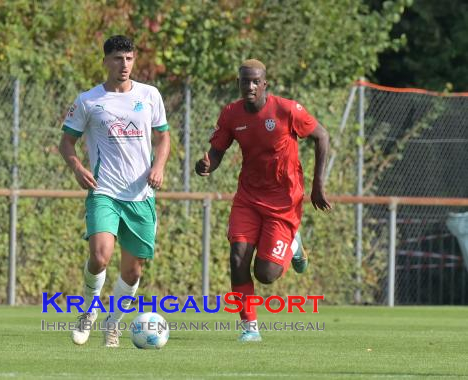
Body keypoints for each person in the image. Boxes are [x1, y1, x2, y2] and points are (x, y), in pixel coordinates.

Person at [195, 59, 331, 342]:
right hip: (248, 198)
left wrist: (318, 185)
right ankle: (250, 328)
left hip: (284, 202)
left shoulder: (286, 110)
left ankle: (294, 243)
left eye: (256, 81)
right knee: (237, 258)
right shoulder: (231, 114)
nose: (251, 86)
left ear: (265, 84)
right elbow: (217, 151)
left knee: (266, 274)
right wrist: (208, 164)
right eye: (246, 81)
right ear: (239, 84)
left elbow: (322, 137)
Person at [59, 35, 170, 348]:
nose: (124, 65)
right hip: (104, 191)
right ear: (106, 61)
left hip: (140, 196)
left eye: (130, 59)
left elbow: (163, 138)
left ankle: (113, 323)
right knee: (100, 256)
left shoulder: (150, 95)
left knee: (132, 273)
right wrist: (79, 168)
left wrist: (158, 166)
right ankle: (89, 311)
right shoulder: (89, 100)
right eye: (118, 59)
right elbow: (66, 142)